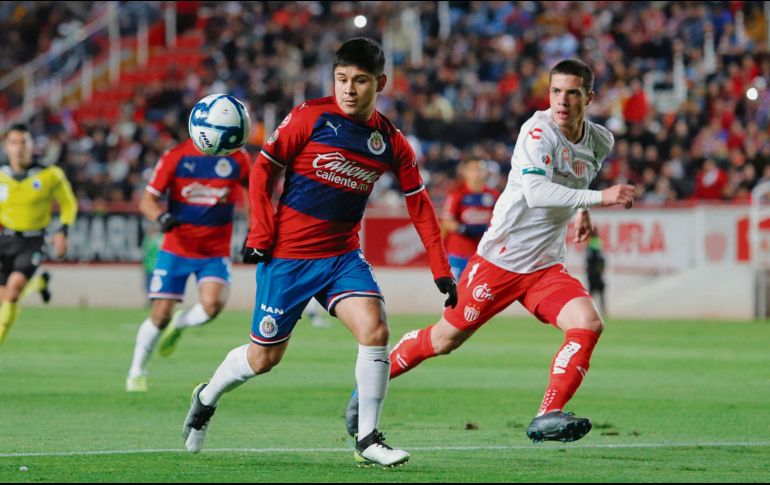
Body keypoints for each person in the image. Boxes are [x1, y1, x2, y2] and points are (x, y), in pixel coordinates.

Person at [181, 38, 457, 468]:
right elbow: (264, 169)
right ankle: (206, 398)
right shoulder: (309, 117)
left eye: (360, 81)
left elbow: (419, 203)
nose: (348, 89)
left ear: (379, 83)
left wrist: (441, 267)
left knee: (376, 330)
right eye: (342, 79)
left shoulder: (390, 141)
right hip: (289, 258)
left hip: (342, 257)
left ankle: (367, 437)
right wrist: (260, 231)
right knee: (263, 358)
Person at [345, 59, 635, 444]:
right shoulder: (537, 131)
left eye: (572, 93)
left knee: (588, 322)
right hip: (499, 260)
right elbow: (536, 192)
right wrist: (600, 199)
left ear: (589, 98)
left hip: (545, 267)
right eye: (555, 91)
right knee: (445, 340)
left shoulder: (600, 140)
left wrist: (581, 211)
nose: (561, 101)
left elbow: (577, 174)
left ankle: (547, 414)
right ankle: (368, 383)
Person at [125, 137, 251, 392]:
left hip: (214, 250)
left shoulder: (238, 158)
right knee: (159, 315)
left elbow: (254, 195)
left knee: (213, 306)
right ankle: (136, 372)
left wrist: (254, 230)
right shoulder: (176, 156)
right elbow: (146, 201)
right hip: (176, 248)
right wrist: (160, 216)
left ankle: (180, 323)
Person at [0, 124, 77, 345]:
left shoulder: (50, 175)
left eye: (24, 142)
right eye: (14, 142)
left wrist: (62, 231)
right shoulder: (1, 175)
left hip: (32, 241)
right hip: (5, 239)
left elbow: (68, 204)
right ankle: (38, 284)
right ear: (7, 146)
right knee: (4, 296)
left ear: (33, 145)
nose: (19, 148)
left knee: (13, 291)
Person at [441, 159, 499, 281]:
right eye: (473, 170)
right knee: (458, 291)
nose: (477, 174)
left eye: (480, 169)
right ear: (465, 172)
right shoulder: (457, 193)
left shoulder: (493, 195)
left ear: (486, 172)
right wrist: (463, 228)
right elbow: (446, 221)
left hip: (484, 253)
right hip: (460, 251)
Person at [586, 234, 606, 316]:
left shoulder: (591, 245)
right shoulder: (596, 244)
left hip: (593, 276)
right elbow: (602, 263)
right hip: (596, 276)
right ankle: (602, 310)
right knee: (599, 295)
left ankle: (590, 310)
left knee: (591, 295)